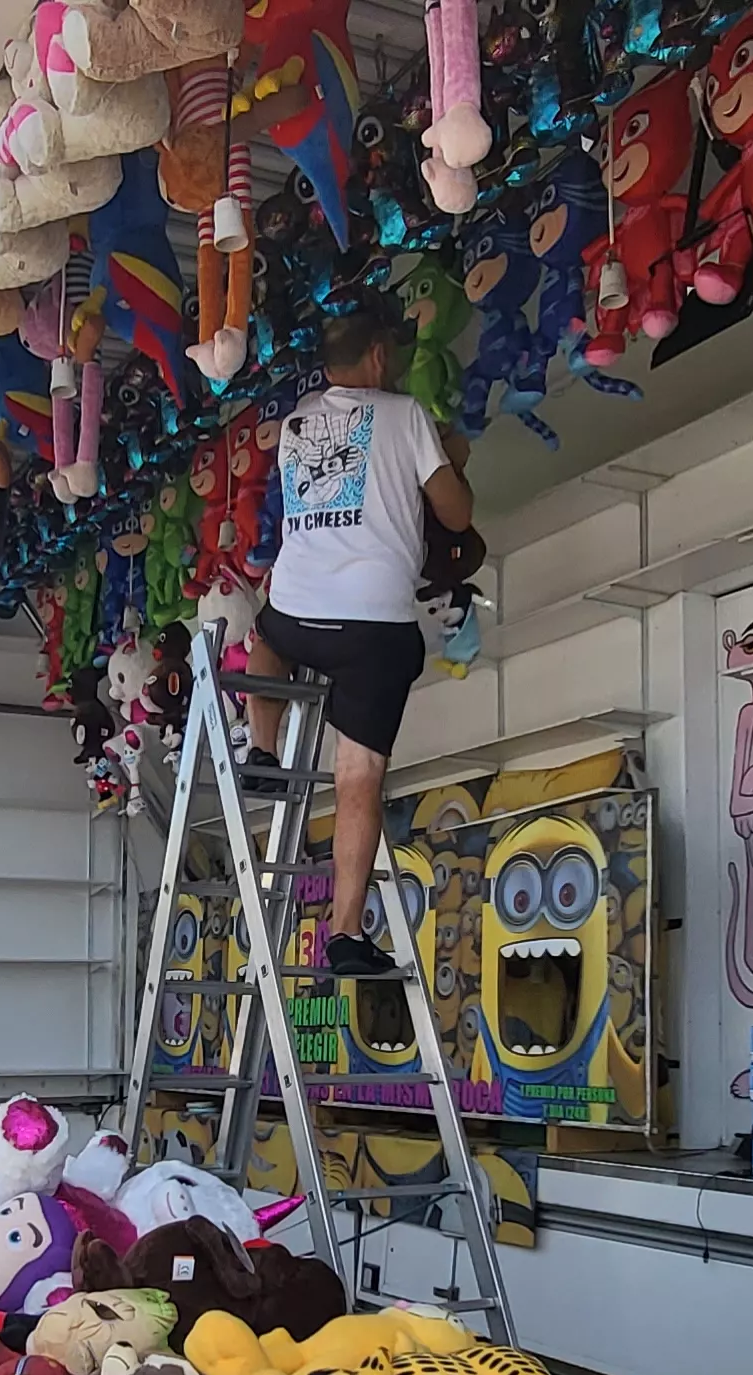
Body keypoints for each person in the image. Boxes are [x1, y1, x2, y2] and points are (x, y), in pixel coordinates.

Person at [246, 305, 477, 976]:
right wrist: (453, 458)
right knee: (357, 781)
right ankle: (344, 930)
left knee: (267, 633)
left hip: (297, 607)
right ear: (378, 355)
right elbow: (455, 516)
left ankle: (261, 745)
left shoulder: (293, 424)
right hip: (373, 625)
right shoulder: (404, 416)